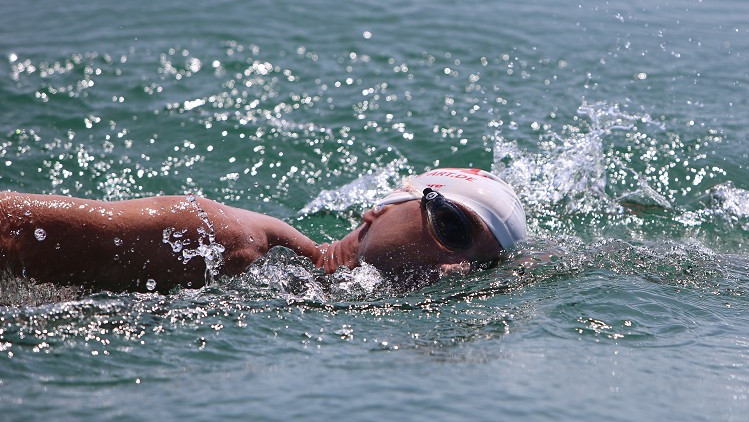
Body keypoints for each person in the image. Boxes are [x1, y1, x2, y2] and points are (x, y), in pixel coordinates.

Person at [0, 167, 527, 292]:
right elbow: (11, 227)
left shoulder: (302, 290)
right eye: (453, 228)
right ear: (381, 210)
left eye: (481, 263)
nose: (459, 265)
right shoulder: (226, 240)